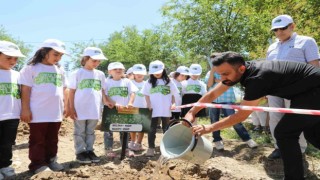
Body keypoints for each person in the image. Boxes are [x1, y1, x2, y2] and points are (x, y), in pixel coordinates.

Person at [185, 51, 320, 180]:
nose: (223, 79)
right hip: (304, 92)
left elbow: (241, 116)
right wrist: (192, 112)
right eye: (220, 75)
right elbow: (213, 94)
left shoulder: (257, 79)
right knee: (312, 133)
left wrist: (209, 128)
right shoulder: (241, 72)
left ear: (241, 69)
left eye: (225, 74)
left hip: (314, 90)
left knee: (284, 132)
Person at [266, 14, 319, 159]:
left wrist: (312, 89)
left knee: (296, 119)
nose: (279, 32)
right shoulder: (271, 47)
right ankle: (279, 147)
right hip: (274, 89)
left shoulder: (307, 42)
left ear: (292, 26)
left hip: (298, 89)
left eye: (282, 28)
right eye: (275, 30)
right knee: (275, 117)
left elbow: (314, 66)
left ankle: (299, 149)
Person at [20, 39, 68, 174]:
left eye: (61, 56)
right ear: (44, 52)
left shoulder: (60, 70)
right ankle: (38, 164)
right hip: (37, 112)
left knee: (53, 139)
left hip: (55, 112)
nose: (58, 58)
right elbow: (25, 90)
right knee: (38, 140)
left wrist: (65, 106)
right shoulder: (30, 69)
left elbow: (64, 89)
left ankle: (51, 160)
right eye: (56, 54)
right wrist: (25, 109)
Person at [205, 54, 257, 150]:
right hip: (214, 101)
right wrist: (212, 72)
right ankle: (217, 140)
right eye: (213, 61)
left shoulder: (228, 70)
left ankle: (247, 139)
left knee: (235, 120)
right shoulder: (209, 73)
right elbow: (209, 84)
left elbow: (231, 80)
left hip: (227, 99)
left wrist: (218, 80)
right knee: (214, 120)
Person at [68, 47, 107, 164]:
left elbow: (102, 91)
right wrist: (71, 108)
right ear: (86, 59)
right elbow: (71, 91)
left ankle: (90, 150)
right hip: (80, 108)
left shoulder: (100, 74)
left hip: (94, 108)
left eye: (99, 61)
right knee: (79, 131)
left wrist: (106, 102)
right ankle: (80, 152)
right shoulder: (77, 73)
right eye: (94, 60)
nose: (97, 63)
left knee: (90, 131)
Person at [141, 60, 178, 157]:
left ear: (163, 70)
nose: (157, 74)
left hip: (166, 109)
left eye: (159, 71)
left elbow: (173, 94)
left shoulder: (169, 81)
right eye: (155, 72)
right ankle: (151, 147)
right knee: (152, 129)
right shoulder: (149, 82)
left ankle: (166, 147)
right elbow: (146, 94)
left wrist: (173, 104)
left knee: (166, 129)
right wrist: (148, 104)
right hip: (153, 110)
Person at [0, 40, 25, 179]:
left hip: (12, 116)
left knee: (7, 143)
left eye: (15, 58)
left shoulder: (18, 75)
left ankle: (5, 165)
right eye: (8, 57)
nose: (13, 61)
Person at [103, 62, 138, 158]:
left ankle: (126, 148)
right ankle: (108, 149)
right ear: (110, 71)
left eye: (120, 69)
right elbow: (105, 95)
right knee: (109, 130)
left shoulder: (127, 81)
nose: (118, 71)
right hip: (110, 109)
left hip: (124, 109)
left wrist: (130, 102)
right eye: (115, 69)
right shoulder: (106, 82)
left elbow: (133, 92)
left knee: (124, 130)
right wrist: (114, 104)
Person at [128, 64, 148, 152]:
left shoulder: (147, 83)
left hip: (144, 108)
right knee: (132, 126)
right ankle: (132, 141)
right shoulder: (129, 82)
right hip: (132, 108)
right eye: (137, 73)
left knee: (141, 127)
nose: (139, 75)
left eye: (141, 73)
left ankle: (139, 143)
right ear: (133, 73)